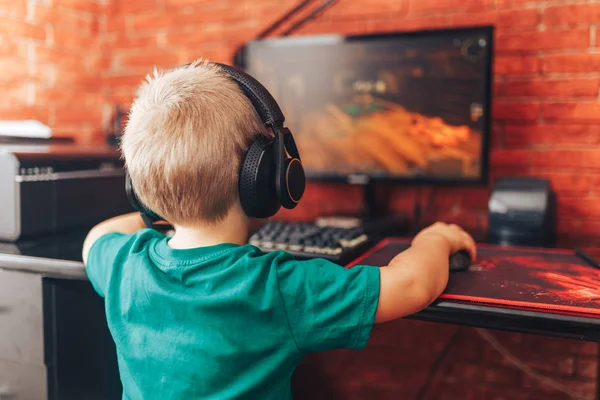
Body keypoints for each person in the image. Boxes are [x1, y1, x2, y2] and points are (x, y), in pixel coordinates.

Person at [83, 59, 477, 400]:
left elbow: (94, 239)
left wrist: (159, 209)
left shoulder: (124, 263)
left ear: (140, 190)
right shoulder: (276, 289)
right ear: (264, 177)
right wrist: (435, 239)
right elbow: (411, 286)